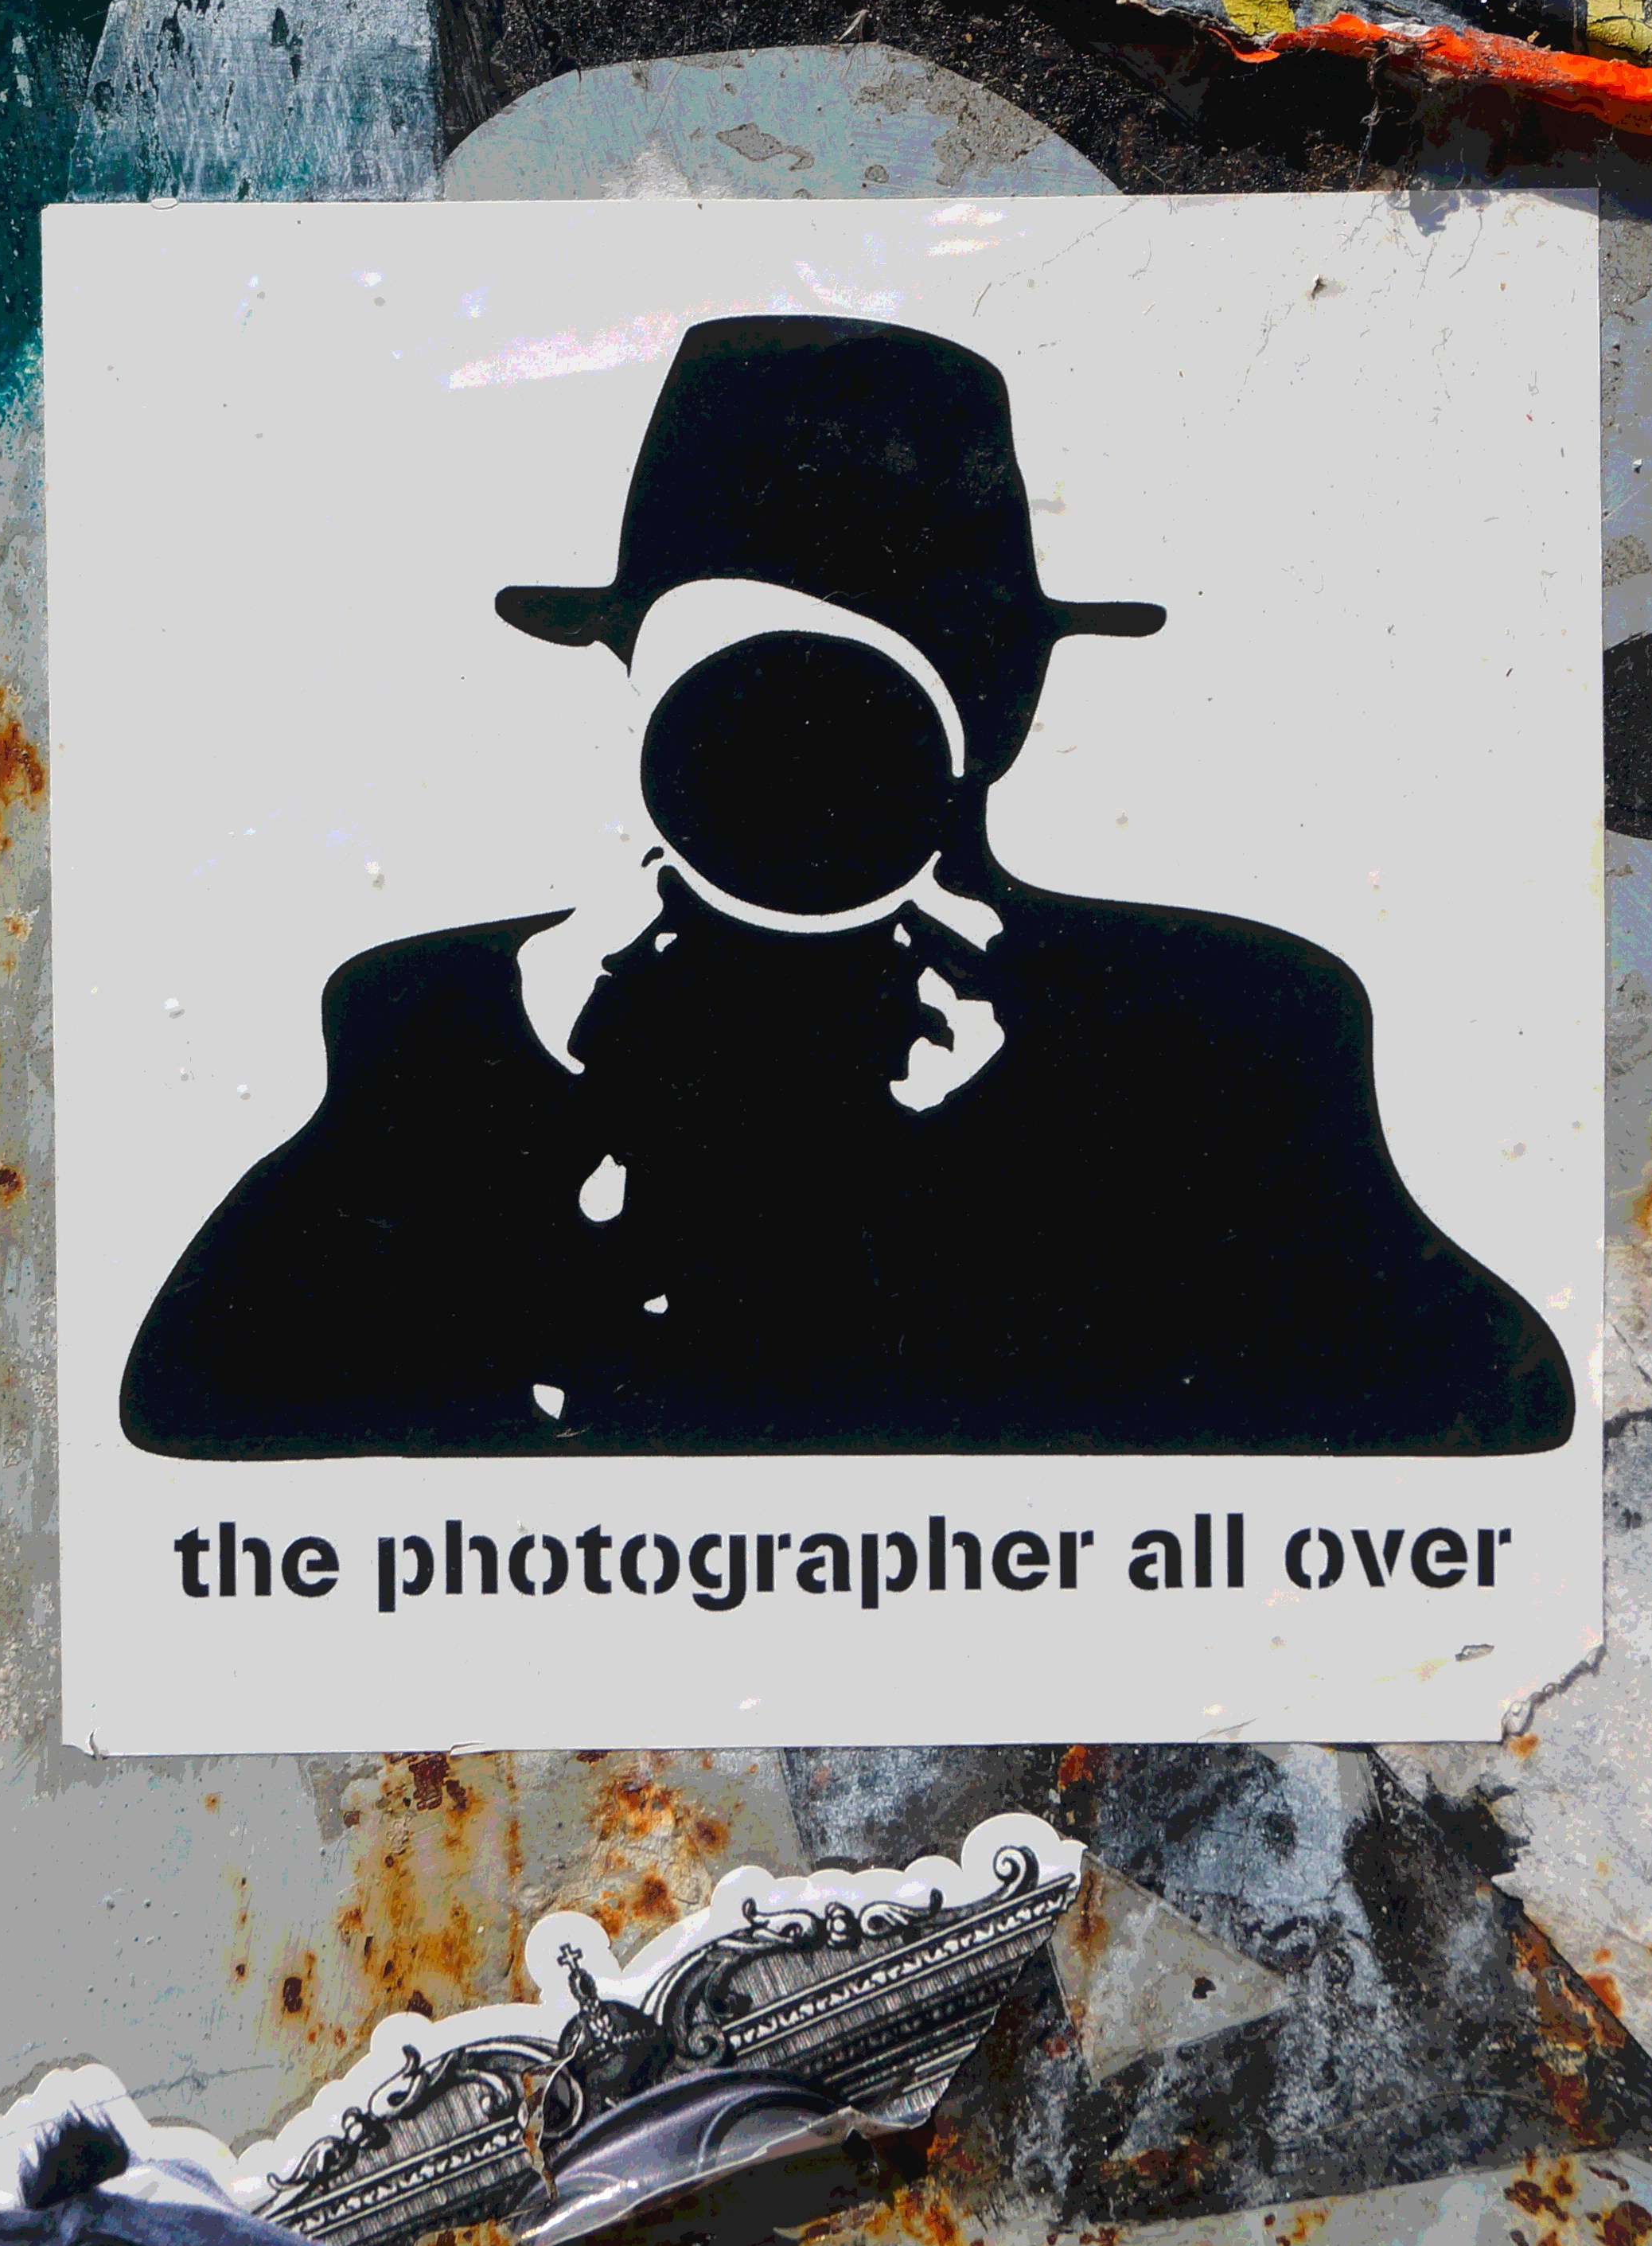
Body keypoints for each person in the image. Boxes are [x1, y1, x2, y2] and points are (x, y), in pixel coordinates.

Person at [122, 314, 1570, 1458]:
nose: (803, 750)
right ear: (639, 686)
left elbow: (1488, 1412)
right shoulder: (451, 1024)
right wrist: (519, 1090)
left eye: (864, 691)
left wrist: (1036, 1161)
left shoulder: (1223, 1027)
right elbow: (197, 1410)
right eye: (746, 690)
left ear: (1000, 705)